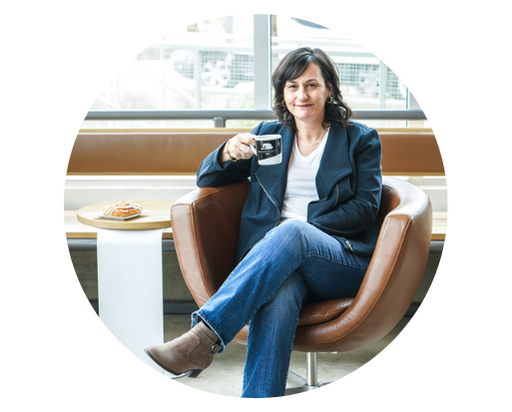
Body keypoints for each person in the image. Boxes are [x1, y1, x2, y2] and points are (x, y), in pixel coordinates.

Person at [145, 47, 382, 398]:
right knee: (280, 292)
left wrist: (303, 231)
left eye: (312, 85)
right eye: (292, 86)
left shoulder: (359, 139)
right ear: (282, 93)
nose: (302, 95)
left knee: (292, 231)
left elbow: (365, 207)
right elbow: (206, 178)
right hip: (274, 264)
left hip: (338, 260)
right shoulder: (269, 136)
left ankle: (203, 336)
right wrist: (228, 150)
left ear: (329, 88)